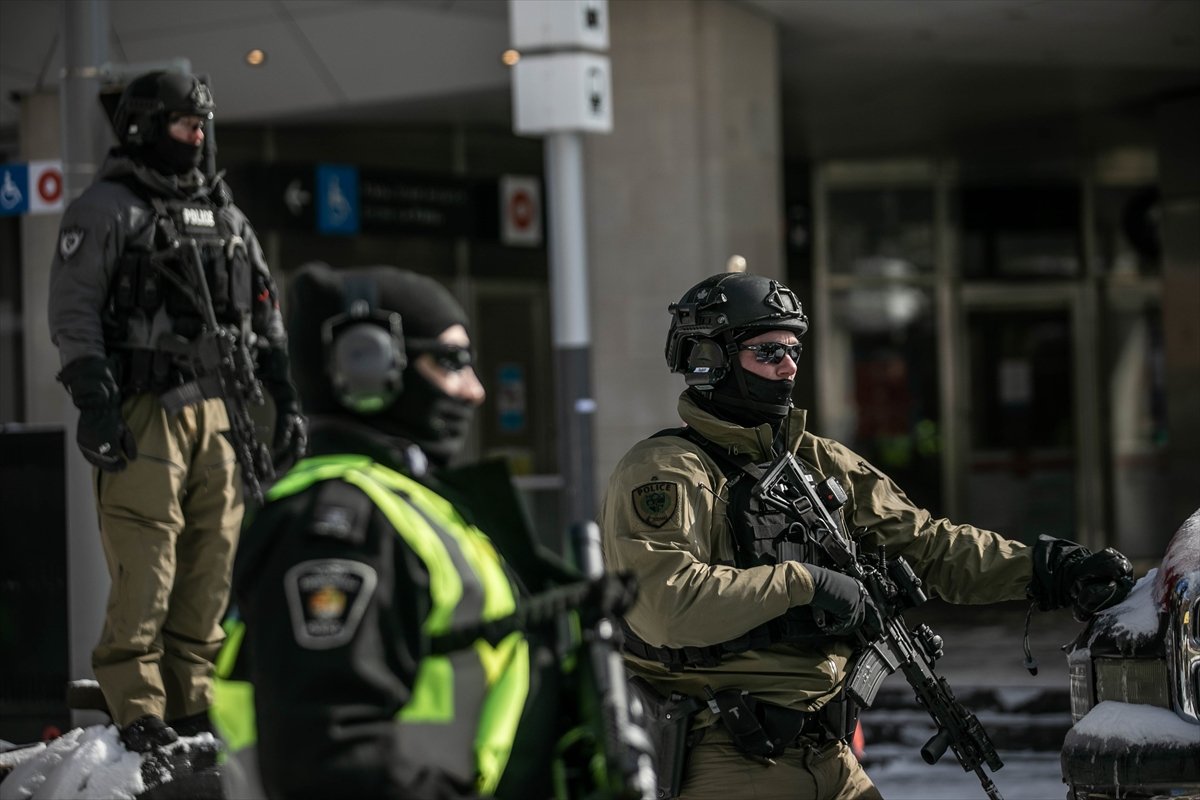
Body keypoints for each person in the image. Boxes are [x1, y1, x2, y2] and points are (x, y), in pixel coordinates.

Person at [598, 270, 1135, 800]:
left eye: (793, 350)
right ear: (709, 361)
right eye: (767, 353)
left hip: (831, 755)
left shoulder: (816, 462)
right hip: (728, 758)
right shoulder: (666, 470)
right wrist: (805, 584)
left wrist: (1048, 569)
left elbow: (928, 545)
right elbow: (664, 606)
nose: (787, 368)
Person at [212, 262, 572, 799]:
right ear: (368, 365)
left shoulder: (406, 502)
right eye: (452, 362)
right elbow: (327, 759)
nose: (474, 391)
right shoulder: (336, 523)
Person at [47, 69, 305, 753]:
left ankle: (193, 699)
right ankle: (136, 702)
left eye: (202, 126)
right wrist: (95, 401)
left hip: (220, 410)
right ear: (144, 126)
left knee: (212, 557)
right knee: (146, 553)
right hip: (144, 408)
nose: (197, 137)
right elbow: (73, 311)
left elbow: (263, 310)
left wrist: (284, 394)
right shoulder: (107, 208)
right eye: (184, 125)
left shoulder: (223, 213)